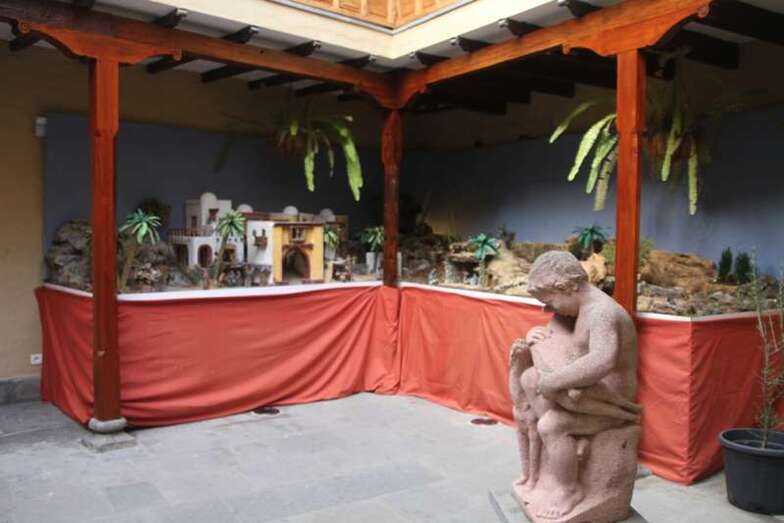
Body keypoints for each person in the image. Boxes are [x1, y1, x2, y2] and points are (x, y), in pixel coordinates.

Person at [517, 251, 640, 520]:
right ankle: (569, 444)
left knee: (551, 426)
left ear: (567, 288)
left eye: (549, 301)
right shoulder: (579, 307)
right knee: (528, 378)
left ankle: (569, 489)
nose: (547, 309)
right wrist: (535, 336)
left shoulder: (602, 312)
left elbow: (602, 360)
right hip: (587, 389)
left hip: (610, 395)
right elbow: (558, 334)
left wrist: (553, 380)